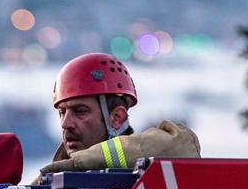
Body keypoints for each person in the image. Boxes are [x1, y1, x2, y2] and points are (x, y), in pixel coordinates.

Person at [39, 53, 201, 175]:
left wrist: (81, 163)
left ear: (117, 118)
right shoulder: (46, 183)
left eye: (80, 111)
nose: (65, 123)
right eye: (62, 112)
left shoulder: (147, 174)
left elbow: (182, 146)